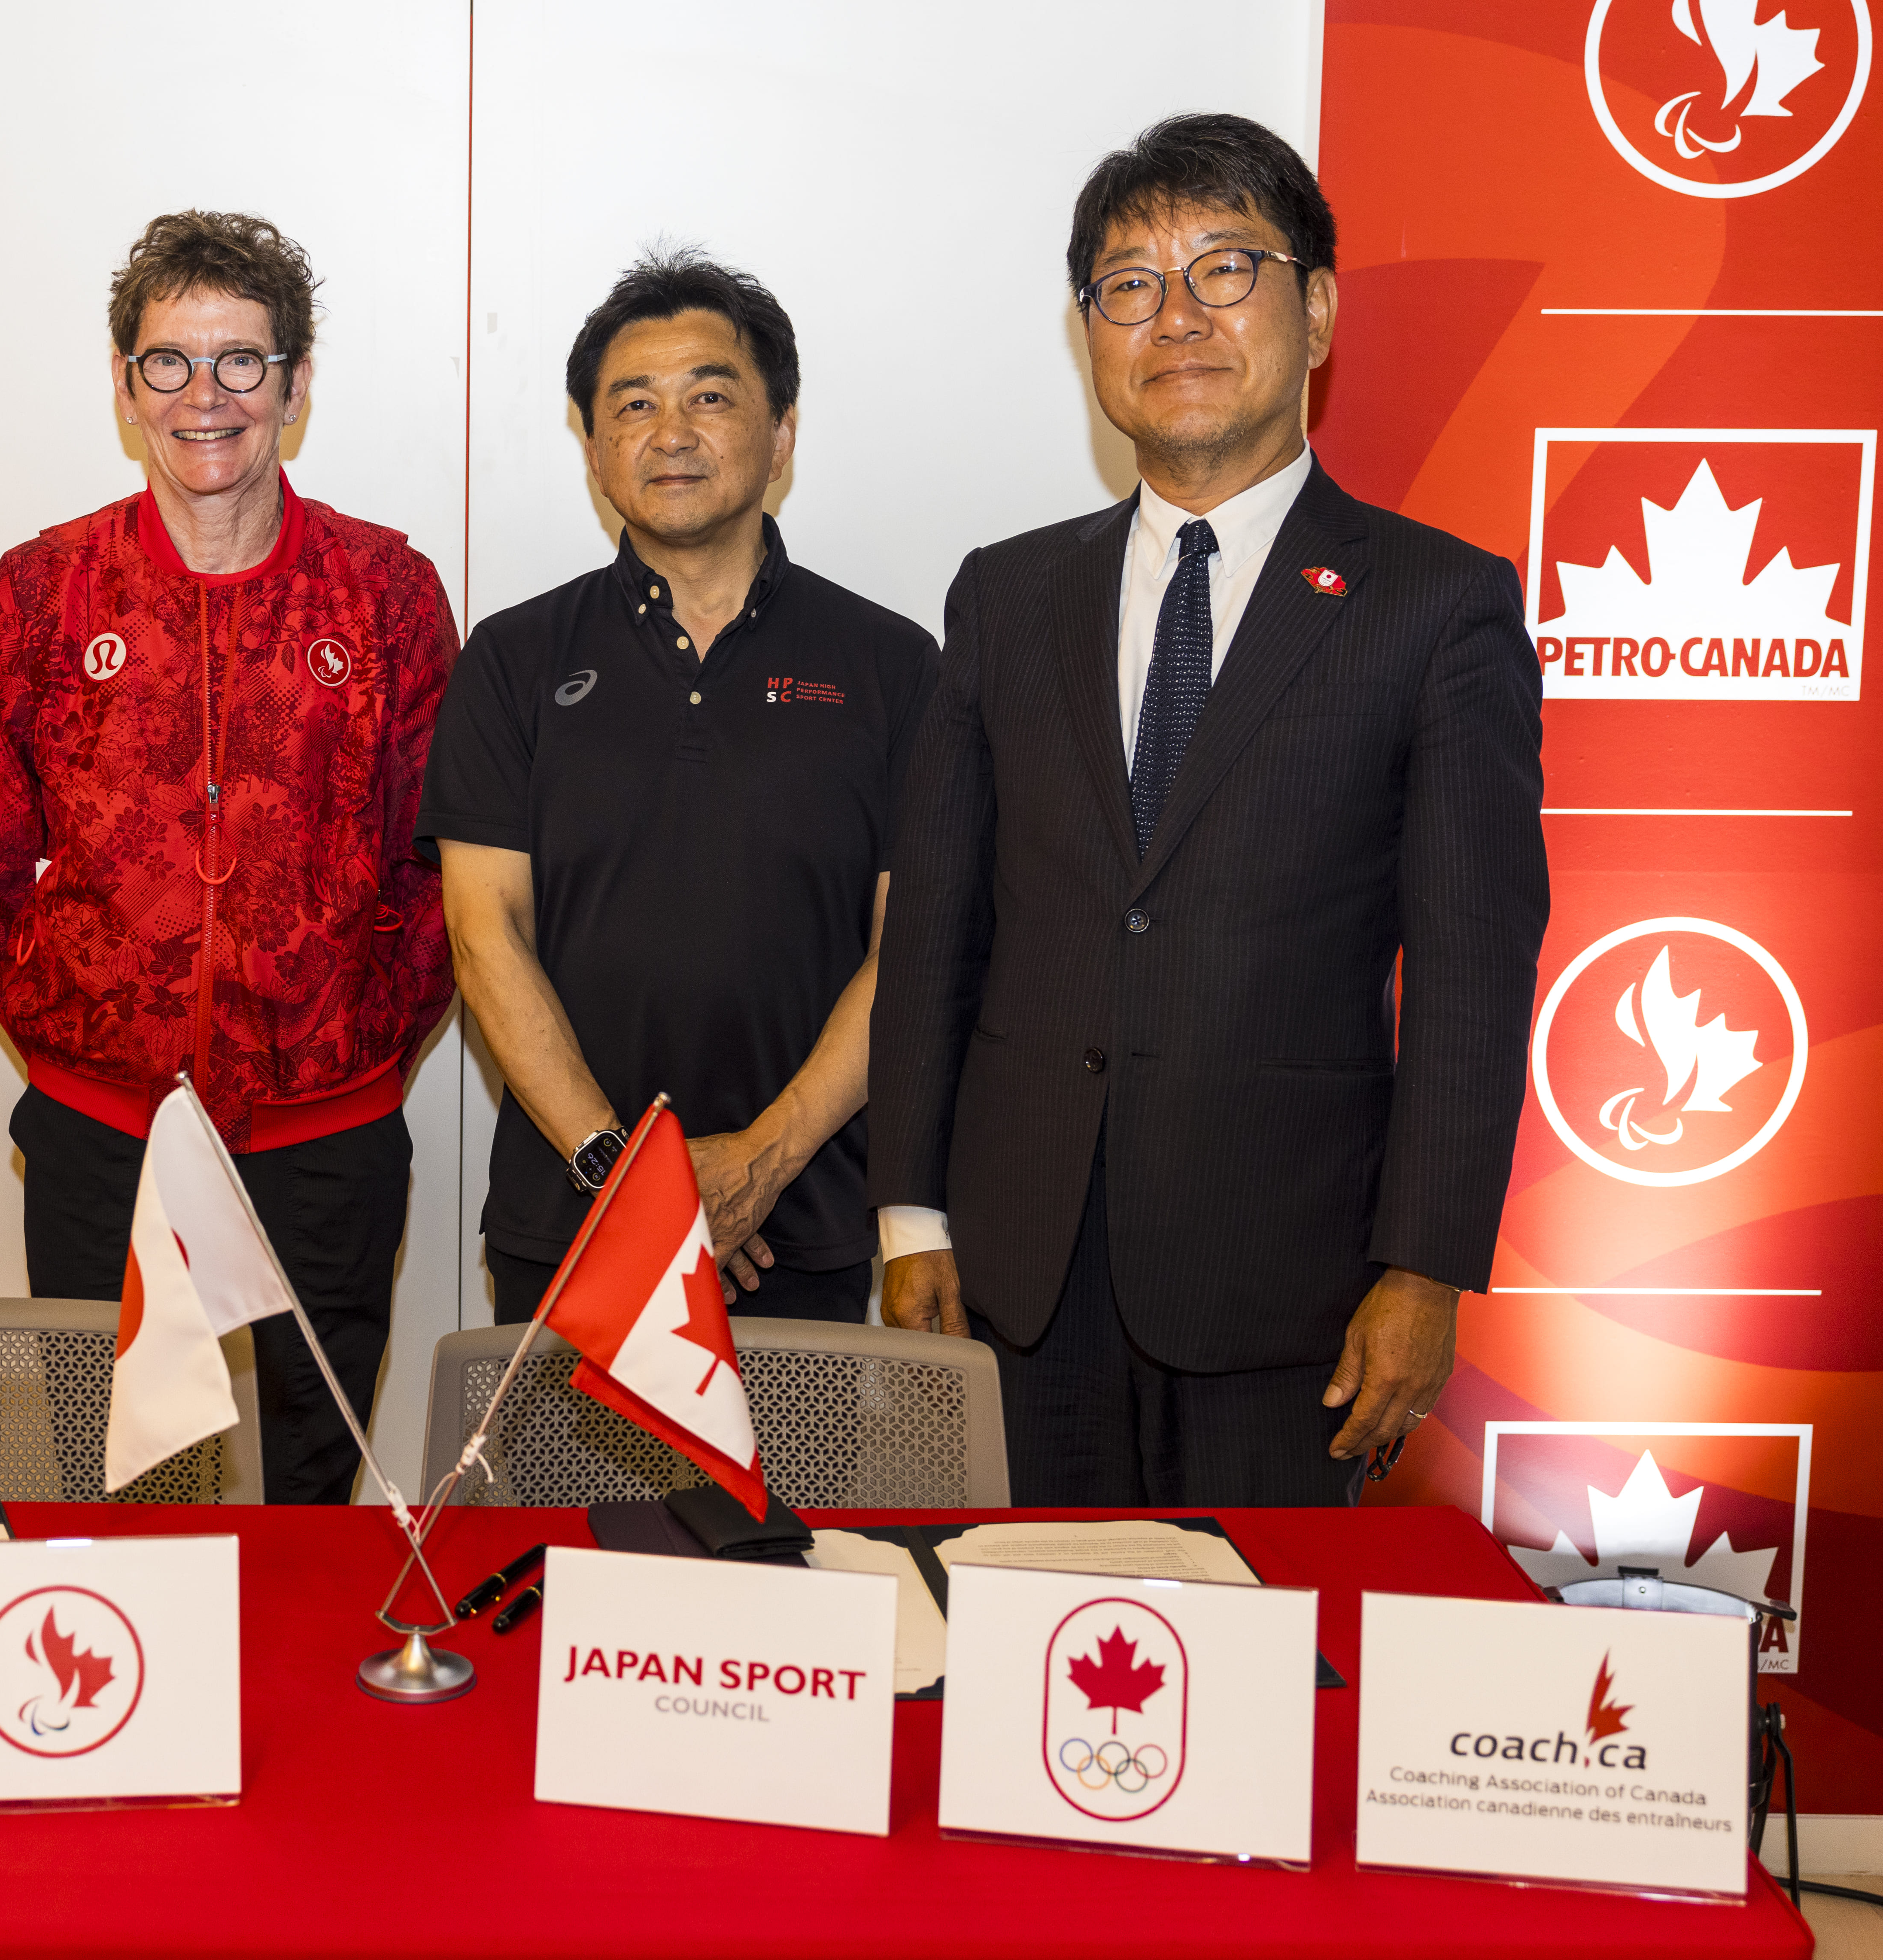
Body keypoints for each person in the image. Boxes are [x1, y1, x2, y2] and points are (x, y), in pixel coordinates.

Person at [869, 114, 1549, 1504]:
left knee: (1253, 1676)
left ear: (1317, 313)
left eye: (1225, 268)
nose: (1174, 315)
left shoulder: (1436, 608)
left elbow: (1472, 975)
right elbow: (939, 926)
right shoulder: (1004, 597)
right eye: (1129, 282)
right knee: (1021, 1654)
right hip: (1018, 1271)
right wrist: (910, 1211)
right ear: (1088, 335)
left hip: (1287, 1286)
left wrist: (1423, 1271)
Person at [0, 211, 459, 1504]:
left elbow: (440, 859)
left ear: (293, 383)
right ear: (124, 386)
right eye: (170, 361)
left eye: (242, 361)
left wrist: (360, 1032)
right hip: (100, 1132)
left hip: (322, 1136)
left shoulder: (383, 590)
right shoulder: (43, 588)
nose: (206, 395)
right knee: (109, 1495)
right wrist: (75, 1034)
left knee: (307, 1483)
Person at [422, 251, 937, 1323]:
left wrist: (764, 1158)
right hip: (571, 1221)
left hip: (803, 1225)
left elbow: (913, 953)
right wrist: (625, 1176)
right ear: (595, 446)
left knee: (795, 1504)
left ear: (780, 430)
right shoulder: (511, 660)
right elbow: (484, 937)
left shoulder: (892, 664)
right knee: (565, 1502)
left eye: (709, 395)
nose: (672, 431)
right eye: (633, 404)